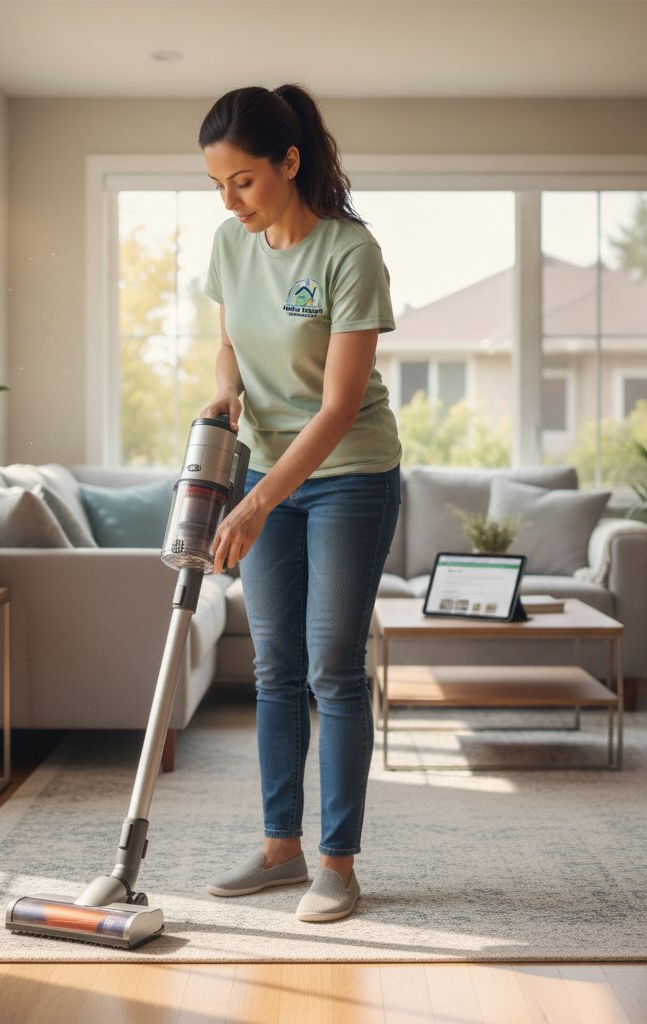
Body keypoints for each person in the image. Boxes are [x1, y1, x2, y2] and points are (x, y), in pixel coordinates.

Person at [198, 84, 401, 923]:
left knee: (332, 670)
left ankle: (338, 864)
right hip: (267, 478)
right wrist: (224, 401)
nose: (229, 200)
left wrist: (255, 505)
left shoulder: (348, 254)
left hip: (349, 473)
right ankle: (281, 848)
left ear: (289, 162)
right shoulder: (229, 244)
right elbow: (228, 348)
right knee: (275, 671)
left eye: (243, 181)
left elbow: (339, 408)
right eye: (217, 184)